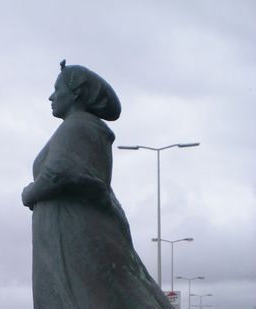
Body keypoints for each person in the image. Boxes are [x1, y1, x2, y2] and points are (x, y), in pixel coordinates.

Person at [22, 60, 172, 308]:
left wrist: (28, 194)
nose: (51, 97)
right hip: (70, 226)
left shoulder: (78, 125)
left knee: (87, 293)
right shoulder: (79, 126)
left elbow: (57, 174)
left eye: (57, 90)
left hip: (74, 229)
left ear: (75, 93)